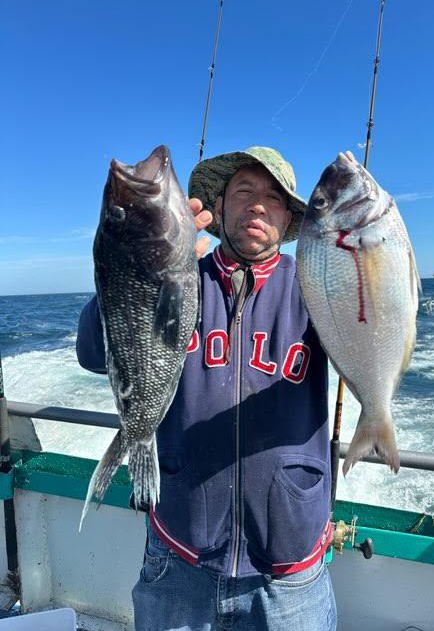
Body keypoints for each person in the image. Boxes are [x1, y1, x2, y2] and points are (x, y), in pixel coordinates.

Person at [76, 146, 337, 630]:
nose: (259, 204)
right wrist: (134, 265)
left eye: (273, 197)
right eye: (245, 191)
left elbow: (373, 349)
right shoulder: (174, 276)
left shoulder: (316, 288)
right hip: (179, 556)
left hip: (289, 571)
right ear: (218, 205)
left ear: (288, 217)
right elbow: (94, 353)